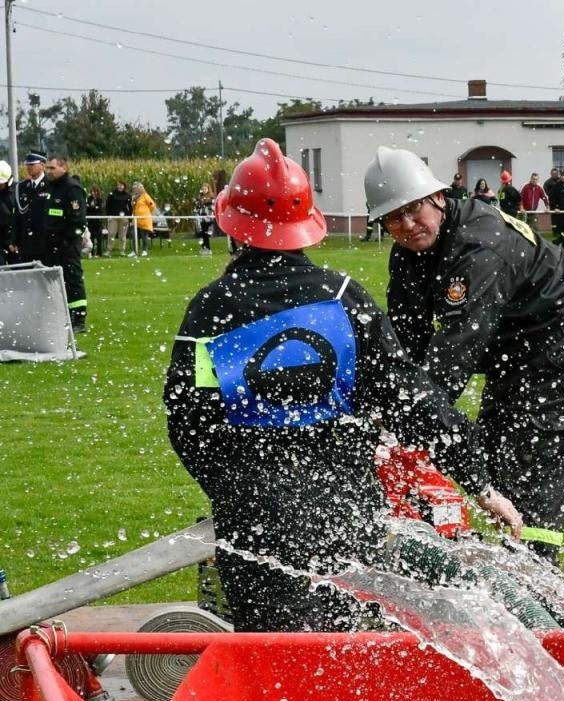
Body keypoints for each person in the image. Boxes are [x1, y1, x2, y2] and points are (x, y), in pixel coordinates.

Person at [165, 139, 522, 633]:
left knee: (275, 663)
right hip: (347, 514)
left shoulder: (211, 308)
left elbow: (189, 424)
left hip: (254, 522)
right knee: (352, 659)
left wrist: (237, 490)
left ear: (233, 225)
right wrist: (478, 482)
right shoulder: (342, 297)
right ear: (307, 226)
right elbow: (413, 401)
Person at [366, 146, 564, 559]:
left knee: (533, 461)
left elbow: (449, 361)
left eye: (414, 209)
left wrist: (404, 424)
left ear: (437, 197)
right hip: (507, 348)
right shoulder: (407, 255)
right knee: (490, 450)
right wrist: (382, 411)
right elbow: (405, 345)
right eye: (393, 218)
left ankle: (539, 582)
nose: (407, 224)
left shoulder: (478, 246)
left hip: (555, 341)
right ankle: (505, 565)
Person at [19, 153, 88, 332]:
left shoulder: (72, 188)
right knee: (52, 282)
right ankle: (60, 315)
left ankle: (79, 319)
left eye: (52, 168)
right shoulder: (51, 188)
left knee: (73, 280)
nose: (48, 171)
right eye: (47, 167)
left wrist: (67, 242)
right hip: (50, 245)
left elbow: (78, 221)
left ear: (63, 168)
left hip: (67, 245)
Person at [104, 180, 132, 257]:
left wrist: (129, 218)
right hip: (113, 217)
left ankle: (122, 250)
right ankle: (109, 250)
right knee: (111, 234)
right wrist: (108, 216)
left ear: (124, 186)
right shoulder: (112, 194)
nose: (120, 186)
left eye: (121, 185)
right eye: (118, 185)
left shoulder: (127, 195)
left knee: (122, 235)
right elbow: (107, 205)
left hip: (124, 218)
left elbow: (130, 207)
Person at [130, 181, 156, 256]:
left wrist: (146, 213)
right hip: (136, 219)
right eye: (134, 188)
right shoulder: (134, 197)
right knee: (134, 235)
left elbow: (152, 206)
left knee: (144, 235)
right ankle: (134, 251)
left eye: (136, 188)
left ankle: (145, 250)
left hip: (144, 219)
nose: (135, 190)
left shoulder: (145, 196)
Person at [194, 183, 215, 256]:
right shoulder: (200, 197)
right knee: (202, 234)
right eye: (203, 189)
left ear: (208, 189)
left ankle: (208, 249)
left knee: (206, 234)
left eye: (205, 189)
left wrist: (204, 204)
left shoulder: (211, 197)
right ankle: (203, 248)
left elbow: (212, 207)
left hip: (208, 218)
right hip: (201, 218)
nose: (204, 190)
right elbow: (197, 207)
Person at [85, 185, 105, 258]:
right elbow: (87, 209)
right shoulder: (89, 199)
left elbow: (100, 209)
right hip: (91, 221)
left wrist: (93, 208)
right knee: (91, 237)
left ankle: (99, 253)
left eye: (95, 191)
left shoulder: (100, 200)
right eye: (92, 191)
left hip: (98, 221)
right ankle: (92, 253)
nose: (93, 193)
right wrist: (93, 208)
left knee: (99, 237)